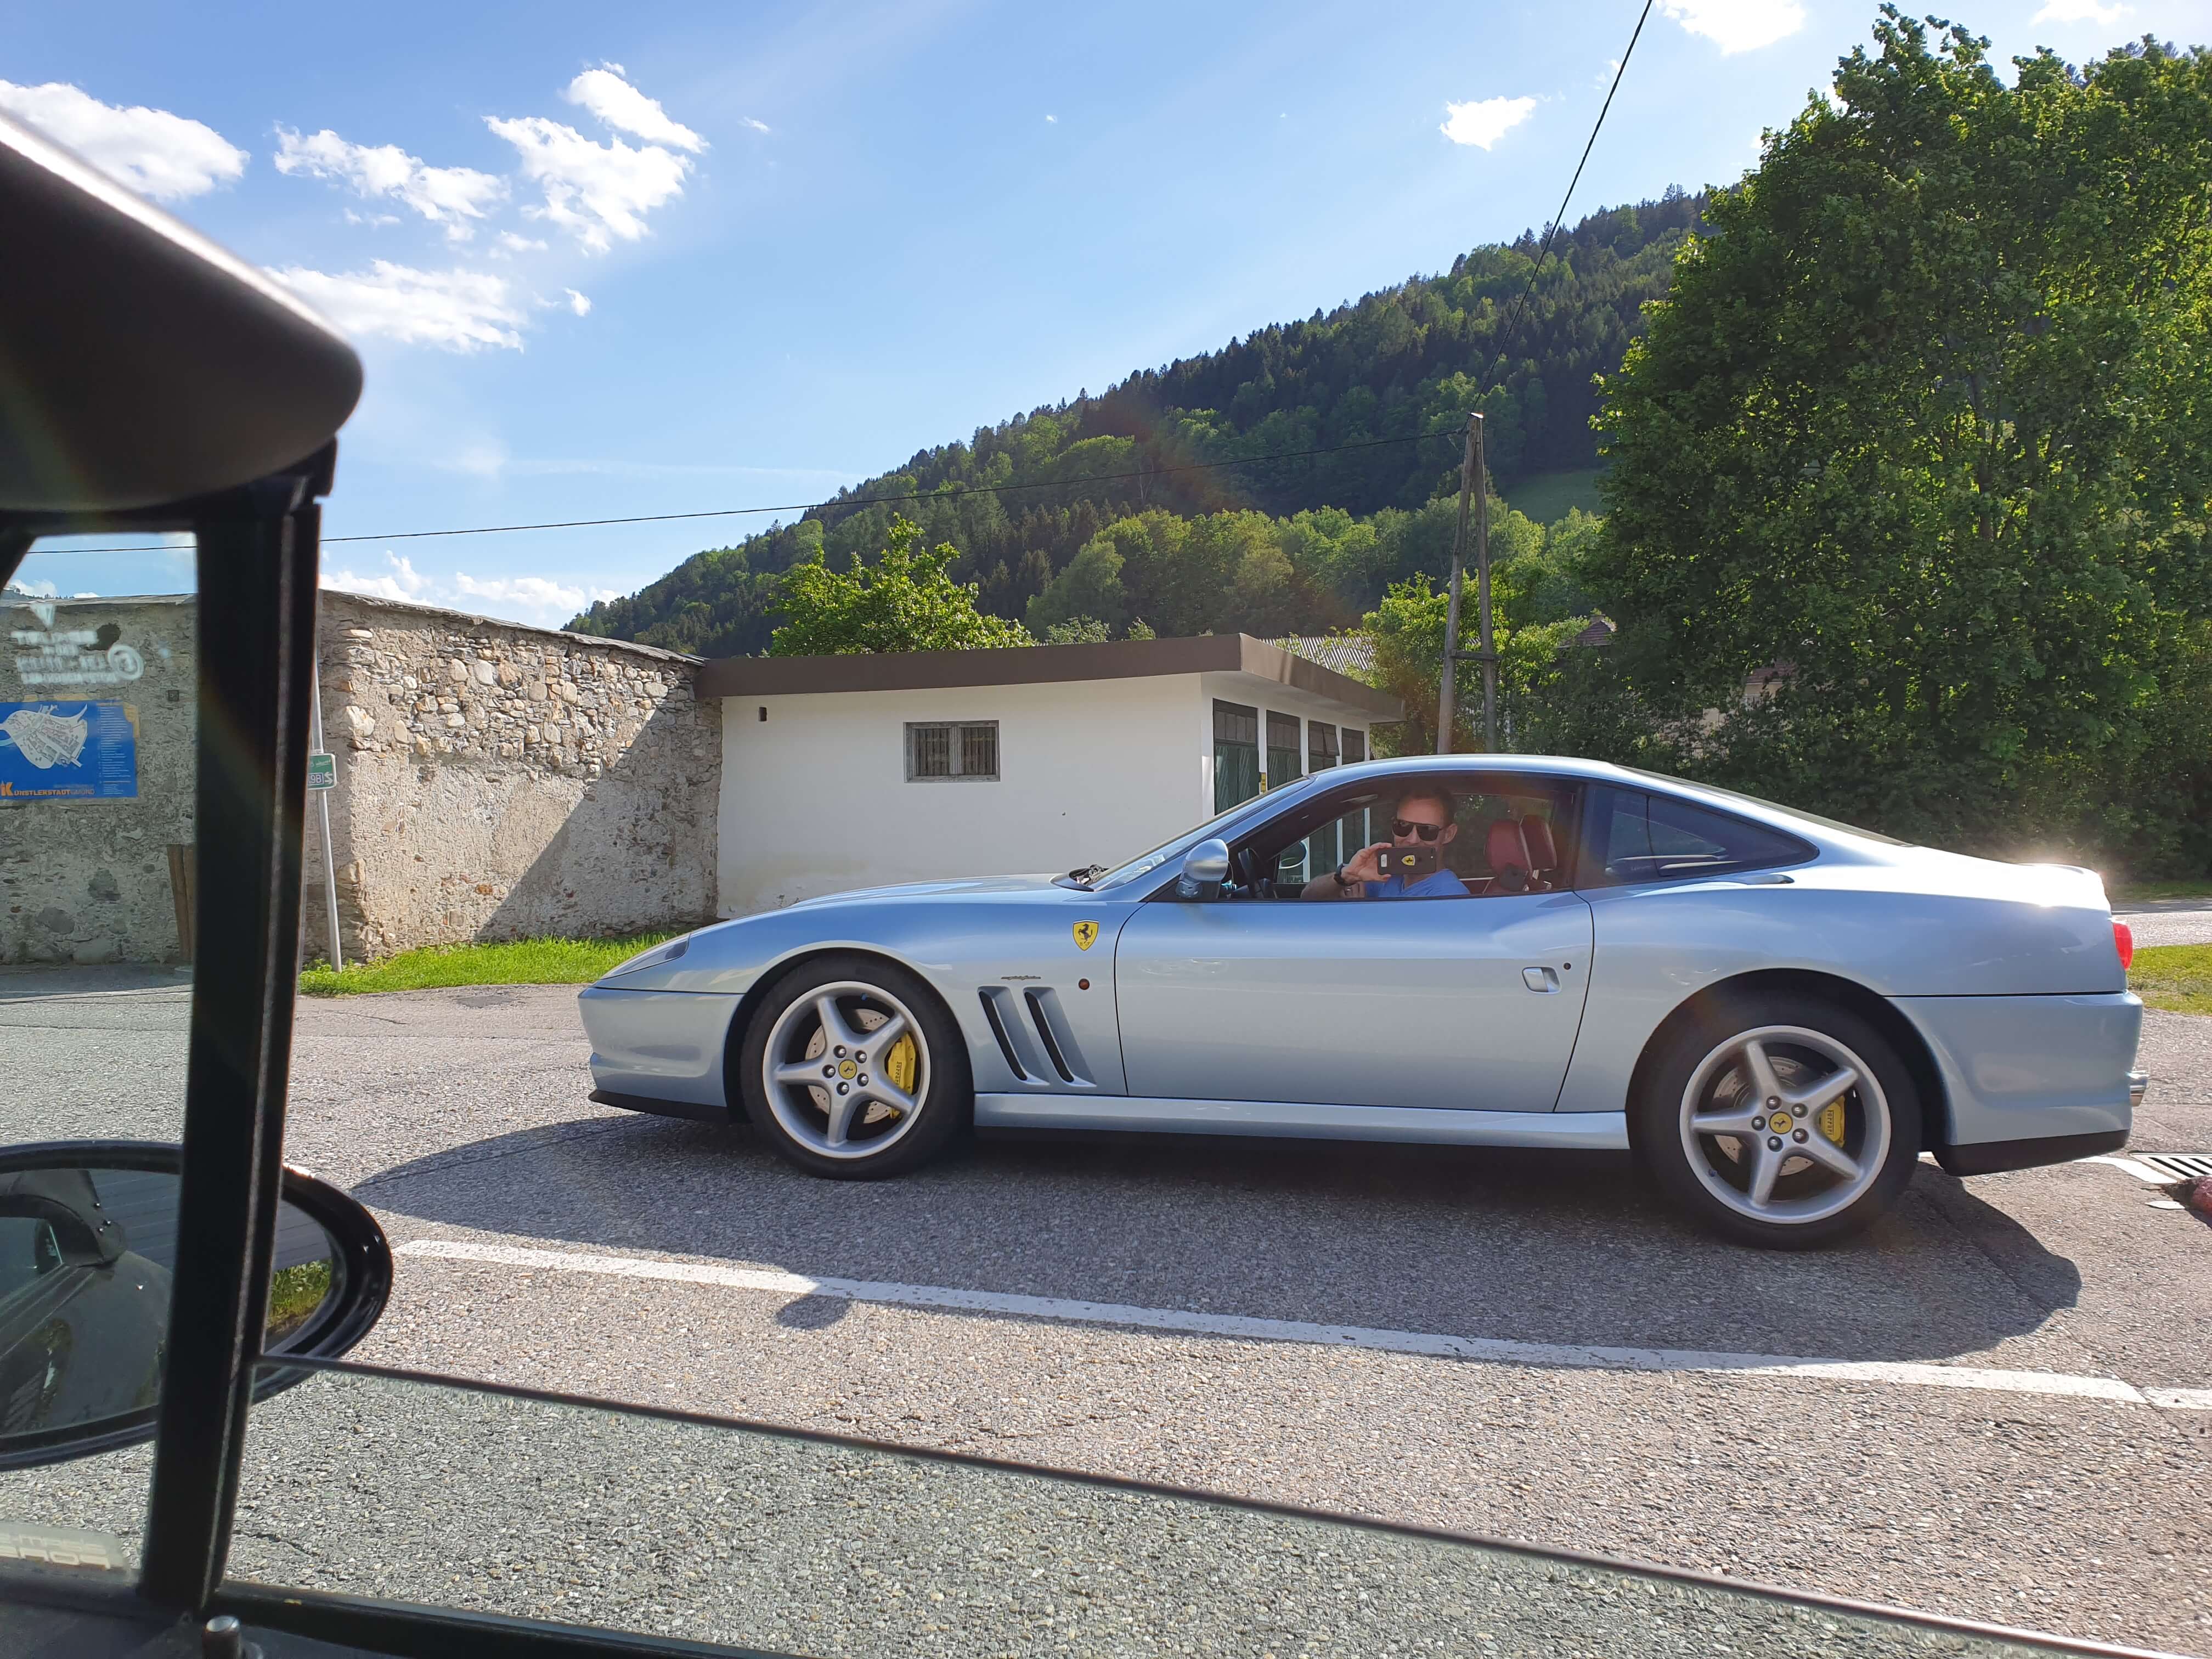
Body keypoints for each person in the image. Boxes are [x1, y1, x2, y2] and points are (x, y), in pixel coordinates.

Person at [1300, 783, 1471, 899]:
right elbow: (1308, 897)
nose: (1412, 839)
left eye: (1427, 830)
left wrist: (1361, 912)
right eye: (1403, 826)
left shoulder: (1450, 895)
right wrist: (1346, 875)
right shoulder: (1384, 876)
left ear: (1448, 834)